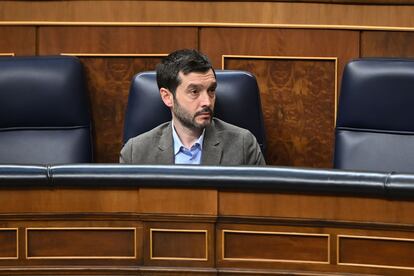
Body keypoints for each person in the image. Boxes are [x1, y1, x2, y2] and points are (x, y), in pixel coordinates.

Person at [120, 49, 265, 165]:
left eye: (211, 90)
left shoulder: (243, 146)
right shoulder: (136, 153)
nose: (207, 102)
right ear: (167, 97)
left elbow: (260, 201)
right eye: (194, 92)